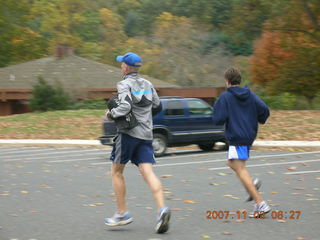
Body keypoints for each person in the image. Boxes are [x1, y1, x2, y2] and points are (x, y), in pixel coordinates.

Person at [104, 52, 171, 233]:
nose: (121, 67)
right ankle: (162, 209)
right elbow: (157, 105)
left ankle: (122, 213)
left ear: (125, 67)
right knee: (148, 172)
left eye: (121, 64)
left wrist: (112, 114)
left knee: (116, 172)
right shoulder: (148, 84)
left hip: (127, 134)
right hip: (146, 134)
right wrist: (144, 118)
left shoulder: (124, 84)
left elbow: (125, 107)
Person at [212, 67, 271, 217]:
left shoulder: (225, 97)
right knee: (232, 163)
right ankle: (252, 185)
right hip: (249, 135)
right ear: (239, 80)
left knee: (239, 168)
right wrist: (259, 119)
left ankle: (261, 204)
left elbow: (218, 119)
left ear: (227, 81)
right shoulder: (250, 95)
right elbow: (264, 109)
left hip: (236, 137)